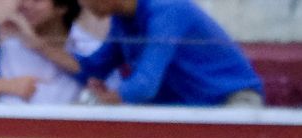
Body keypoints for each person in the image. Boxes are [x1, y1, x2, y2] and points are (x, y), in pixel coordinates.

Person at [75, 0, 263, 107]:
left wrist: (109, 98)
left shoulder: (167, 10)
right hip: (187, 109)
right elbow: (93, 68)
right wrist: (47, 46)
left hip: (230, 101)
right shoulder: (122, 20)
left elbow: (145, 86)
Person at [0, 0, 102, 105]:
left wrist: (39, 46)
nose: (25, 4)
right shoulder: (8, 47)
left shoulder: (87, 46)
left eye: (37, 1)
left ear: (62, 7)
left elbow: (96, 75)